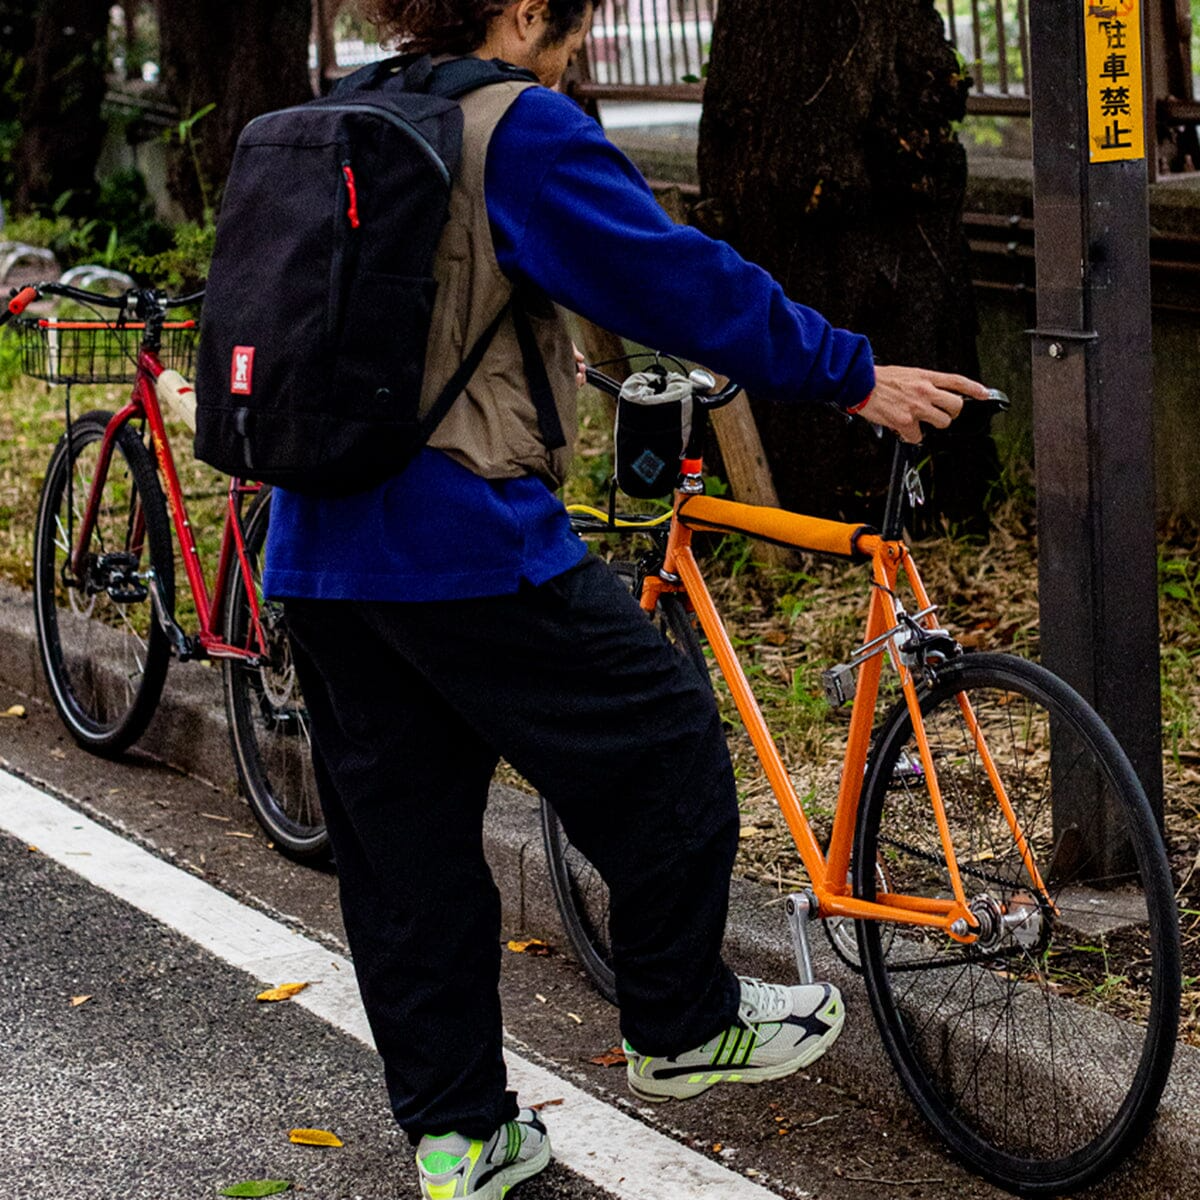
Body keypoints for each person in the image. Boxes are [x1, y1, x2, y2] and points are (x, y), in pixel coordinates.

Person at [264, 1, 988, 1196]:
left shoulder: (338, 111)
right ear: (525, 11)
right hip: (465, 538)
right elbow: (669, 276)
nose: (579, 51)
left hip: (318, 548)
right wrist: (849, 372)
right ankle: (683, 1020)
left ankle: (459, 1140)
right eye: (573, 23)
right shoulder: (517, 128)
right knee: (665, 747)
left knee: (404, 861)